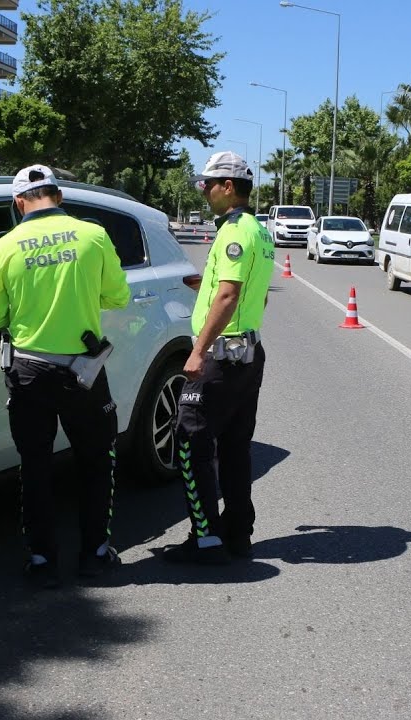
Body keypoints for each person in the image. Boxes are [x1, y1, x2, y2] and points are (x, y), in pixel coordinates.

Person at [0, 164, 131, 588]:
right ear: (59, 196)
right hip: (83, 371)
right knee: (97, 462)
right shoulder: (93, 235)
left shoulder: (4, 246)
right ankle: (95, 556)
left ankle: (44, 561)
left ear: (18, 202)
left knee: (35, 467)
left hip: (28, 372)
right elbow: (118, 296)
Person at [160, 151, 275, 565]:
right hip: (247, 353)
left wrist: (197, 350)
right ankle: (238, 532)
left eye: (207, 184)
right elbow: (249, 292)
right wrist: (203, 285)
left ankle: (205, 538)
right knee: (235, 445)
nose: (203, 191)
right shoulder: (259, 232)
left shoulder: (233, 232)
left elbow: (228, 296)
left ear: (228, 187)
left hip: (221, 357)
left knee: (190, 440)